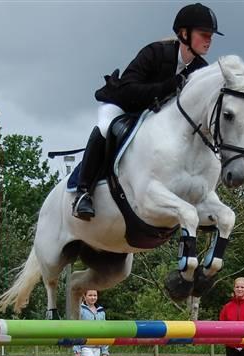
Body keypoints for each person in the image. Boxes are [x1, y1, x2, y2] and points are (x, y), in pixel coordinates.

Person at [72, 3, 223, 220]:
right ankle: (83, 192)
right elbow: (128, 88)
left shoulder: (200, 69)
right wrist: (168, 86)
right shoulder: (155, 53)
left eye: (210, 36)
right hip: (124, 105)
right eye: (204, 34)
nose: (209, 40)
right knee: (106, 127)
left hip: (157, 117)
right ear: (184, 33)